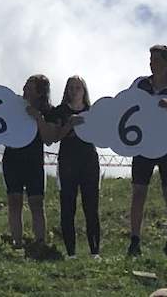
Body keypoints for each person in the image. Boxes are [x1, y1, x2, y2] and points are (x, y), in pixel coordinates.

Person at [128, 45, 167, 257]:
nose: (151, 63)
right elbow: (127, 107)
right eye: (150, 59)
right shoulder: (139, 84)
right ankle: (134, 241)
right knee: (138, 192)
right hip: (142, 145)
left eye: (155, 59)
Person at [46, 76, 100, 257]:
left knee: (91, 206)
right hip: (68, 162)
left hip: (89, 161)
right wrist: (69, 124)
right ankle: (71, 253)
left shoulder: (92, 111)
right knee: (68, 207)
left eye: (78, 88)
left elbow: (101, 135)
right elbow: (54, 137)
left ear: (84, 91)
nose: (74, 91)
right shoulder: (59, 111)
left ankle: (95, 252)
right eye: (71, 87)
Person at [4, 74, 52, 247]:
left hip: (34, 162)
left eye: (30, 88)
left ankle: (40, 242)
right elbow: (0, 128)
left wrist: (38, 117)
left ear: (40, 93)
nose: (25, 90)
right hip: (12, 159)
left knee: (36, 203)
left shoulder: (47, 111)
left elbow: (49, 139)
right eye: (25, 86)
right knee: (14, 202)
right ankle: (17, 242)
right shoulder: (13, 107)